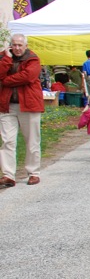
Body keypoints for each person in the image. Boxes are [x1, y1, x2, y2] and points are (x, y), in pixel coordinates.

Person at [0, 34, 45, 187]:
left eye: (20, 45)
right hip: (7, 106)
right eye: (14, 45)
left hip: (29, 105)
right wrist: (7, 59)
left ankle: (33, 173)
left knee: (32, 140)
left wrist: (5, 81)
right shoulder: (3, 57)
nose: (17, 48)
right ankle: (8, 175)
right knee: (7, 141)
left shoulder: (33, 58)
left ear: (25, 46)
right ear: (10, 45)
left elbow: (28, 76)